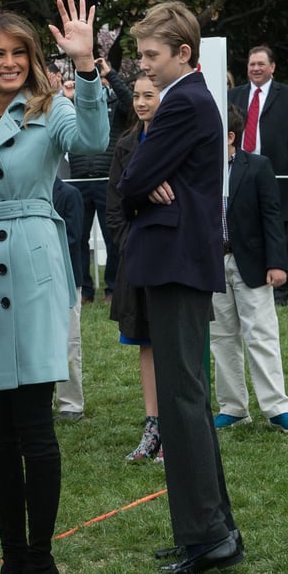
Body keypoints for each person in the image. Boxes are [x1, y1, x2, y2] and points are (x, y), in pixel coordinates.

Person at [0, 0, 108, 574]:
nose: (9, 63)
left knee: (34, 428)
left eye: (19, 53)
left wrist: (86, 65)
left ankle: (41, 565)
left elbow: (92, 141)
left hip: (34, 270)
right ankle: (11, 562)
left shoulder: (53, 108)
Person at [117, 0, 243, 574]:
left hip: (174, 263)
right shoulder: (189, 100)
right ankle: (212, 530)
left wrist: (144, 182)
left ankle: (207, 536)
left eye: (150, 56)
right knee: (184, 397)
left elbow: (131, 179)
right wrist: (146, 181)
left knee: (181, 400)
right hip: (178, 261)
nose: (143, 68)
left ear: (183, 54)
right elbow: (141, 177)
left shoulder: (183, 102)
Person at [210, 105, 288, 435]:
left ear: (231, 137)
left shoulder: (258, 167)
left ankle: (278, 407)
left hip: (251, 261)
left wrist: (277, 263)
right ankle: (233, 407)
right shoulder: (199, 169)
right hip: (212, 263)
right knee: (221, 337)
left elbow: (272, 217)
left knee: (261, 333)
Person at [107, 73, 162, 462]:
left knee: (174, 346)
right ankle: (153, 426)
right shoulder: (125, 144)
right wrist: (130, 244)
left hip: (173, 258)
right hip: (137, 260)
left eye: (149, 95)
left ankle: (178, 430)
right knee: (145, 342)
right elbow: (115, 207)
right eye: (138, 96)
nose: (141, 102)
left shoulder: (175, 140)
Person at [228, 46, 288, 305]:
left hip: (274, 172)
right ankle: (246, 281)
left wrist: (286, 160)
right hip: (239, 172)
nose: (256, 68)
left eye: (261, 64)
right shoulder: (234, 95)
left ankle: (280, 292)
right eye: (252, 64)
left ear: (272, 67)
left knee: (279, 228)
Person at [67, 55, 130, 304]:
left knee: (113, 236)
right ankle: (85, 289)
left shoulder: (117, 103)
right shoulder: (73, 103)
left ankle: (113, 288)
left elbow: (130, 101)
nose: (97, 80)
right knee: (78, 237)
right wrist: (67, 96)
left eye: (100, 76)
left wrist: (110, 72)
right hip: (78, 181)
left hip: (108, 178)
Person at [52, 176, 85, 421]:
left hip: (65, 277)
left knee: (69, 341)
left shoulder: (70, 193)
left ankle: (71, 404)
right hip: (33, 280)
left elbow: (73, 238)